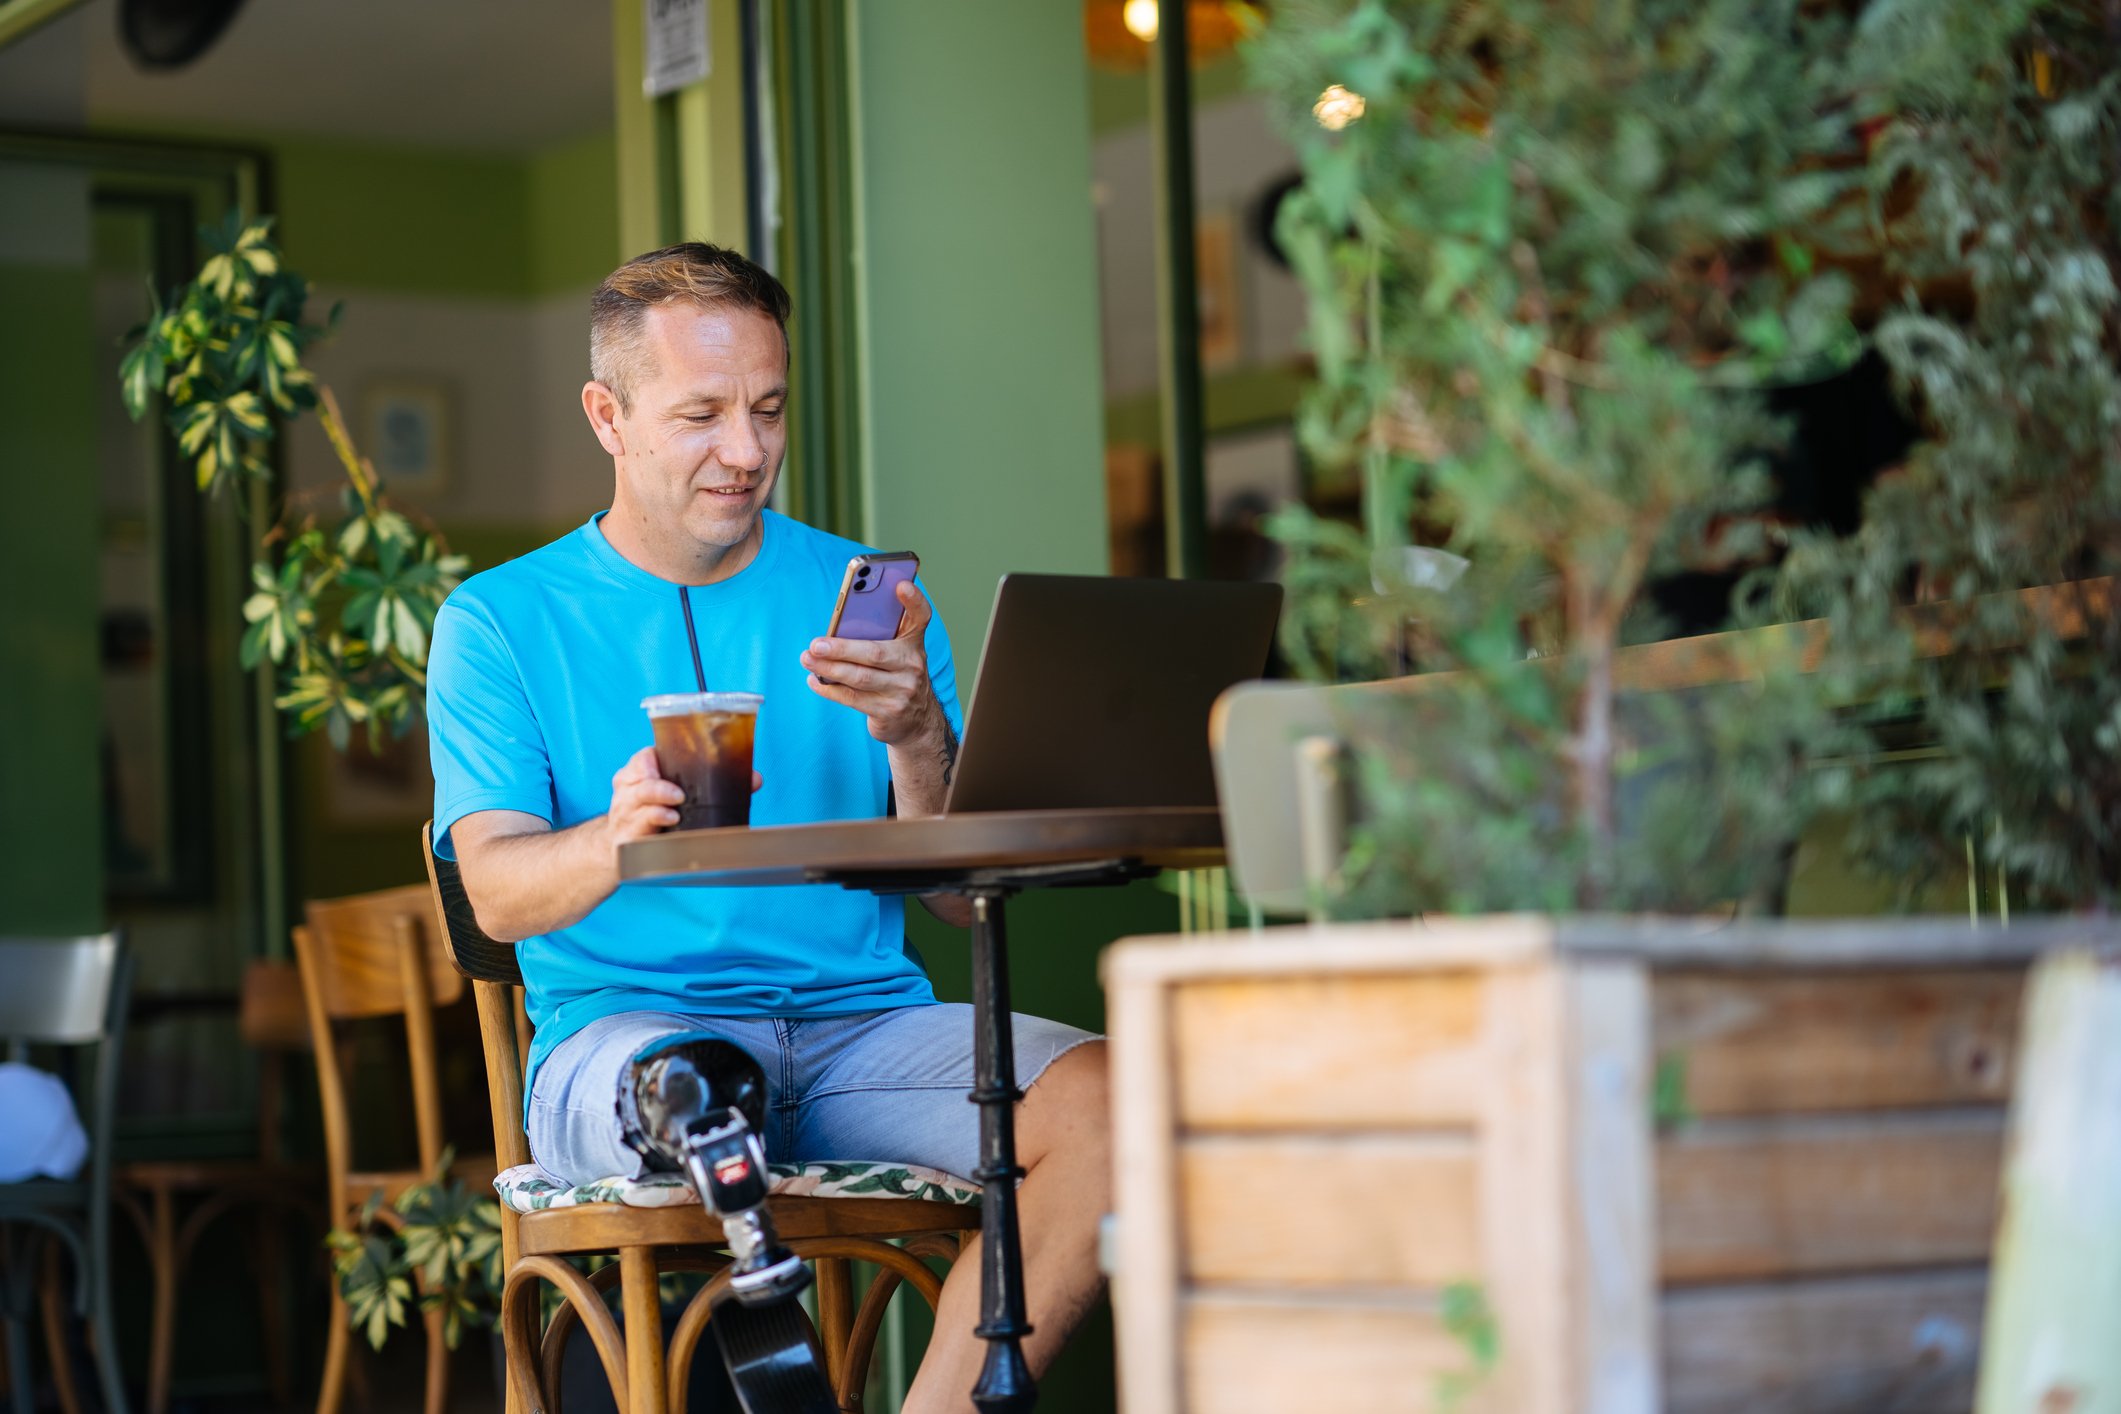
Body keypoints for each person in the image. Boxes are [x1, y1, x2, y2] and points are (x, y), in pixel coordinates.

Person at [426, 242, 1110, 1411]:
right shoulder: (499, 620)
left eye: (767, 408)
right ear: (609, 415)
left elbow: (955, 893)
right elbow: (494, 893)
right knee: (700, 1090)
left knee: (1113, 1102)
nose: (746, 451)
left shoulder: (868, 597)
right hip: (627, 1038)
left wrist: (915, 734)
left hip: (858, 1035)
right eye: (701, 414)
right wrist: (612, 836)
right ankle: (728, 1189)